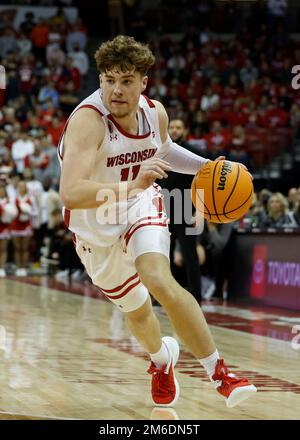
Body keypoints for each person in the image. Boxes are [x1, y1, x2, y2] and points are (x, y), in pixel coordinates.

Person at [58, 35, 256, 408]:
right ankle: (161, 359)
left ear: (143, 82)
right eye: (109, 79)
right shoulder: (88, 122)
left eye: (127, 80)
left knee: (158, 278)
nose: (117, 90)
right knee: (138, 312)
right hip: (94, 224)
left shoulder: (156, 113)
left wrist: (209, 167)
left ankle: (220, 374)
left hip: (138, 204)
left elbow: (163, 150)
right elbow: (71, 192)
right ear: (100, 79)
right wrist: (133, 182)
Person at [160, 118, 202, 301]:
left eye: (178, 127)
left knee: (190, 254)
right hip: (165, 207)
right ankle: (167, 296)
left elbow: (203, 184)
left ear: (185, 130)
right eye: (172, 127)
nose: (175, 130)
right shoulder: (161, 152)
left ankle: (196, 296)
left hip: (187, 208)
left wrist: (199, 210)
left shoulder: (195, 154)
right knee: (164, 255)